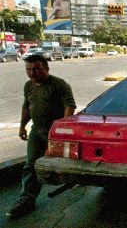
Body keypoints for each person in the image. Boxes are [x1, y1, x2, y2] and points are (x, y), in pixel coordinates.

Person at [6, 55, 76, 219]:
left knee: (66, 163)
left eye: (37, 68)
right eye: (29, 69)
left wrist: (61, 130)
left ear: (46, 68)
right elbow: (26, 107)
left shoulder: (59, 84)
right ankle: (26, 200)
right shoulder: (28, 86)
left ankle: (78, 182)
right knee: (30, 165)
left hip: (55, 134)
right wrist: (22, 126)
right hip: (37, 133)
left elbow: (70, 105)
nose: (32, 73)